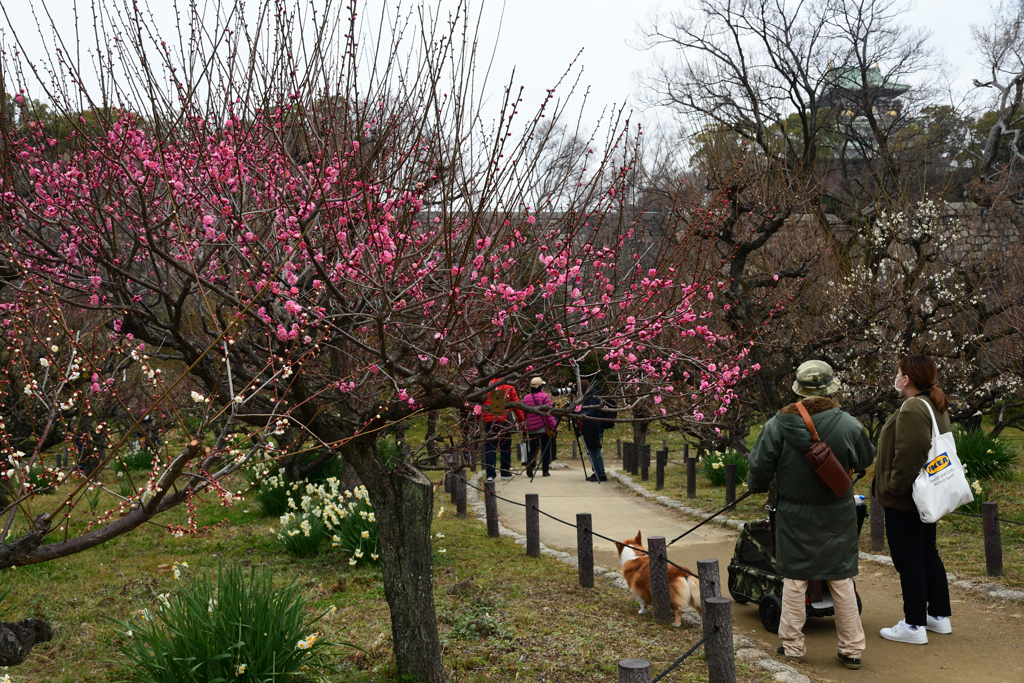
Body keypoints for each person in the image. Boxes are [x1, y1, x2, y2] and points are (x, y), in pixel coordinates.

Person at [747, 360, 875, 669]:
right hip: (837, 513)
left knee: (795, 579)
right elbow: (866, 457)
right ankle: (852, 648)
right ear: (830, 389)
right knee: (841, 578)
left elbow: (759, 469)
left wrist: (757, 486)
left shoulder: (777, 425)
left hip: (794, 515)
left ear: (798, 389)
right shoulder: (848, 423)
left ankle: (792, 647)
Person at [873, 354, 954, 645]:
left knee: (908, 559)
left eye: (898, 373)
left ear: (906, 379)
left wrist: (895, 486)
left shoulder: (912, 407)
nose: (895, 377)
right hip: (927, 494)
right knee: (927, 554)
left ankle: (914, 624)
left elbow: (912, 451)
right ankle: (938, 616)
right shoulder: (934, 403)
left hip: (907, 497)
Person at [481, 379, 524, 482]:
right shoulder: (508, 386)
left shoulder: (486, 385)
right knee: (505, 447)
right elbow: (516, 405)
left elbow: (480, 404)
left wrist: (480, 419)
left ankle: (490, 474)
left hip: (489, 420)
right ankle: (505, 472)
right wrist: (521, 419)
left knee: (490, 448)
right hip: (504, 420)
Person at [577, 379, 614, 482]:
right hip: (592, 428)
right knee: (593, 451)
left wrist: (578, 413)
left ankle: (600, 473)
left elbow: (591, 412)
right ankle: (597, 471)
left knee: (594, 451)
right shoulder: (592, 396)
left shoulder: (592, 398)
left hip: (593, 428)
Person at [520, 377, 558, 478]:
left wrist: (523, 428)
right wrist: (553, 426)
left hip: (531, 428)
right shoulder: (545, 396)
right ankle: (545, 471)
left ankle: (530, 462)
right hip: (543, 427)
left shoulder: (525, 398)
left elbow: (523, 415)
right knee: (545, 449)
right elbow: (549, 414)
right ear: (541, 386)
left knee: (533, 448)